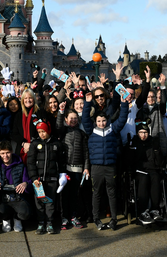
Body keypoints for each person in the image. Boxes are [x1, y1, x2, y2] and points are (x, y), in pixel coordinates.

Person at [81, 90, 132, 231]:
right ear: (95, 122)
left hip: (111, 167)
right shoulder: (91, 131)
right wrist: (87, 103)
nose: (102, 123)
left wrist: (123, 103)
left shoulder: (112, 129)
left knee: (112, 193)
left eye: (103, 120)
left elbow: (122, 118)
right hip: (96, 168)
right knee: (96, 193)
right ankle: (96, 218)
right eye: (99, 121)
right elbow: (85, 119)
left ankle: (114, 219)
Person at [27, 122, 66, 234]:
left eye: (43, 131)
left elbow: (61, 162)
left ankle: (49, 222)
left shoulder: (56, 144)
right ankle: (40, 223)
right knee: (39, 201)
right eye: (39, 132)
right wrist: (34, 178)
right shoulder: (35, 144)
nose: (41, 134)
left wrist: (62, 175)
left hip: (52, 179)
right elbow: (31, 163)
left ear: (48, 130)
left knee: (50, 202)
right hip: (38, 180)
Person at [55, 107, 90, 230]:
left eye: (75, 118)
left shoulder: (82, 134)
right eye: (71, 118)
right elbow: (58, 126)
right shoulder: (63, 131)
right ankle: (64, 217)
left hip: (78, 169)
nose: (74, 120)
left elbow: (86, 152)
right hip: (65, 169)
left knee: (75, 195)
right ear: (66, 119)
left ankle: (73, 216)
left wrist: (86, 168)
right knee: (64, 195)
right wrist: (60, 112)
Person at [0, 140, 31, 233]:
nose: (5, 156)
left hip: (18, 198)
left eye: (8, 152)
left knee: (25, 213)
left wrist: (25, 184)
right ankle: (6, 219)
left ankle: (17, 219)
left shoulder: (20, 165)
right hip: (3, 199)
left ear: (12, 151)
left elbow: (28, 181)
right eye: (2, 153)